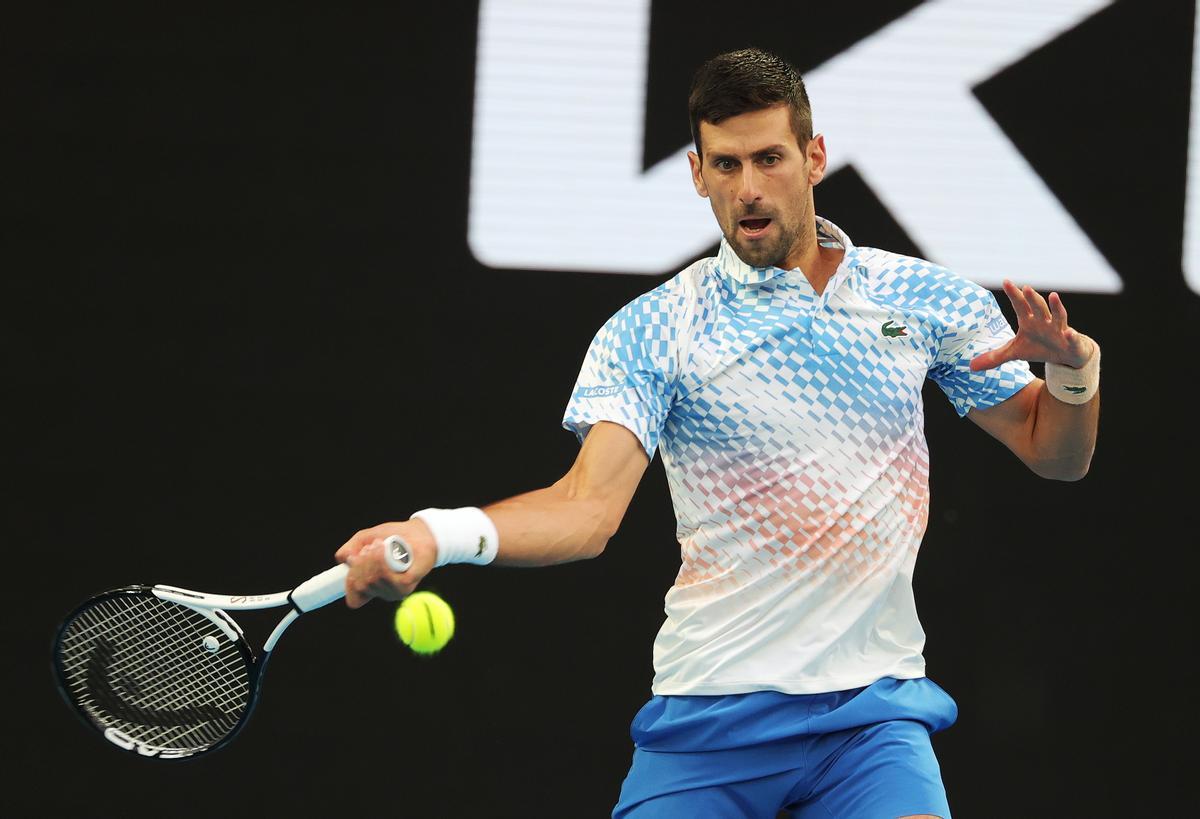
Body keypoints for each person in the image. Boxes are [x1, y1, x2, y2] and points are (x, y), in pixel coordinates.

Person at [335, 48, 1100, 818]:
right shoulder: (659, 327)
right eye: (726, 166)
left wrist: (1074, 374)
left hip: (871, 724)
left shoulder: (919, 298)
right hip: (706, 722)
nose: (750, 189)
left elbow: (1055, 452)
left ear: (814, 158)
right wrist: (438, 532)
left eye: (769, 159)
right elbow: (586, 510)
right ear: (698, 174)